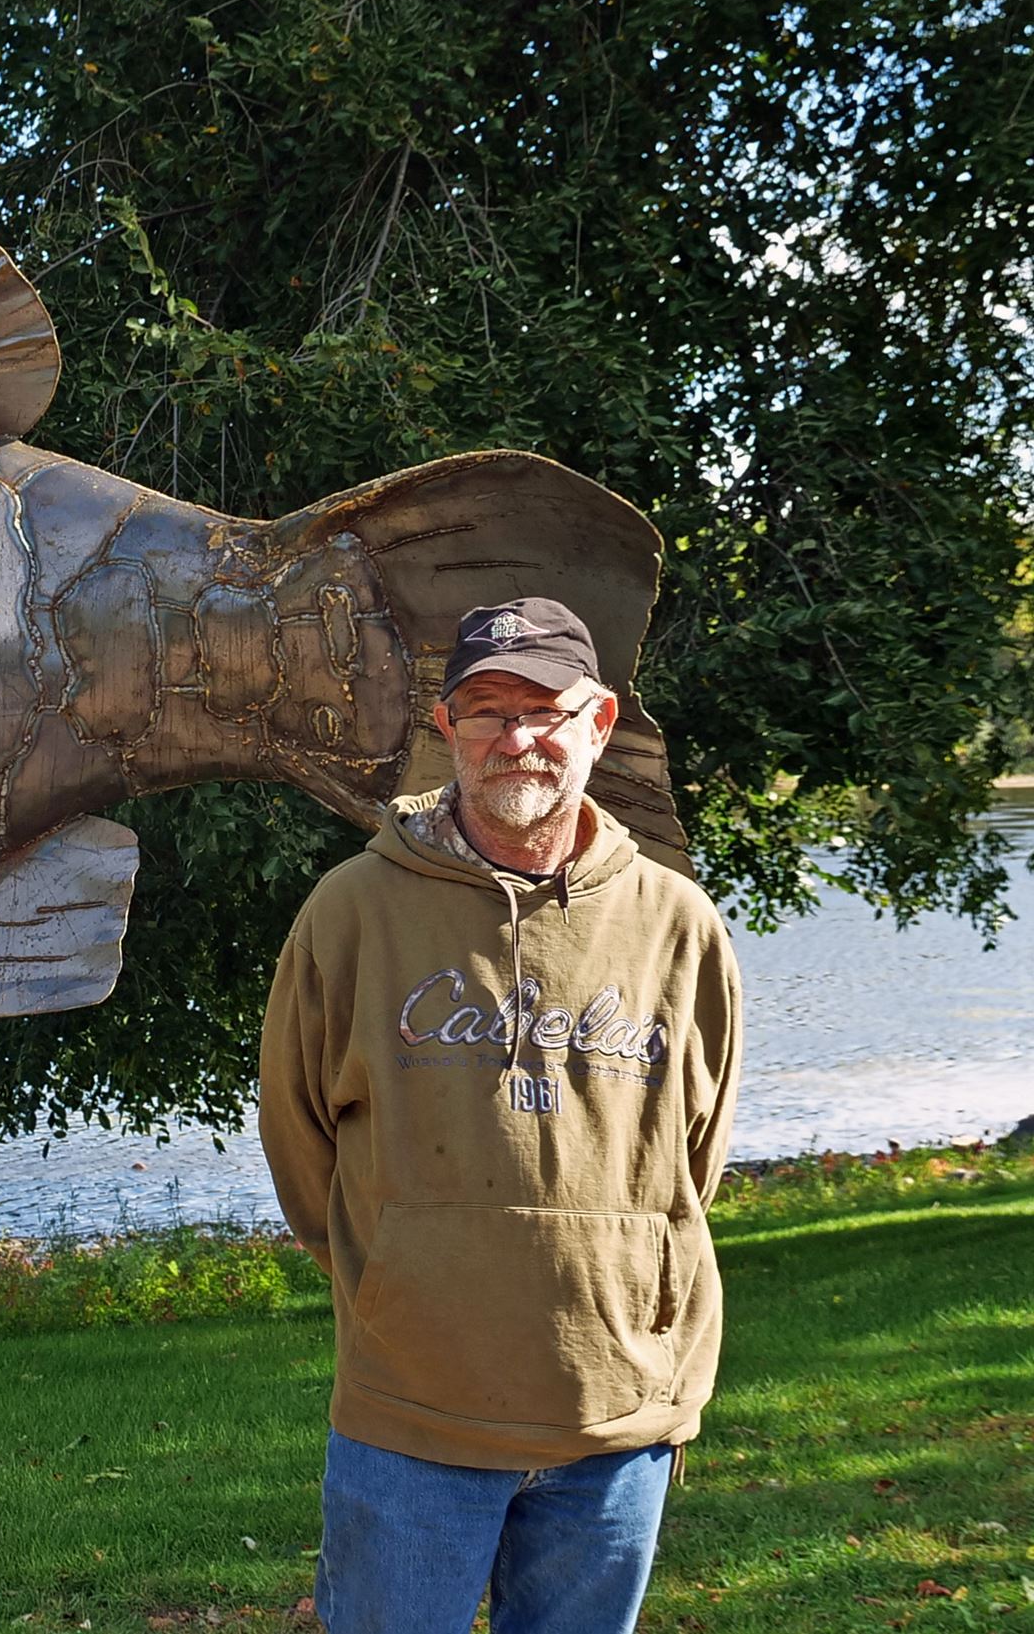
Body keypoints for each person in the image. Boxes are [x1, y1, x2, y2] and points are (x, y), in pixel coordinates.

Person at [258, 596, 743, 1634]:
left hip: (616, 1411)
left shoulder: (676, 923)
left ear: (598, 722)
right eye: (484, 709)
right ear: (443, 727)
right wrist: (398, 1269)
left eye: (544, 710)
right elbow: (299, 1147)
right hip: (412, 1414)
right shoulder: (349, 911)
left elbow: (690, 1156)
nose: (515, 738)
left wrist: (622, 1272)